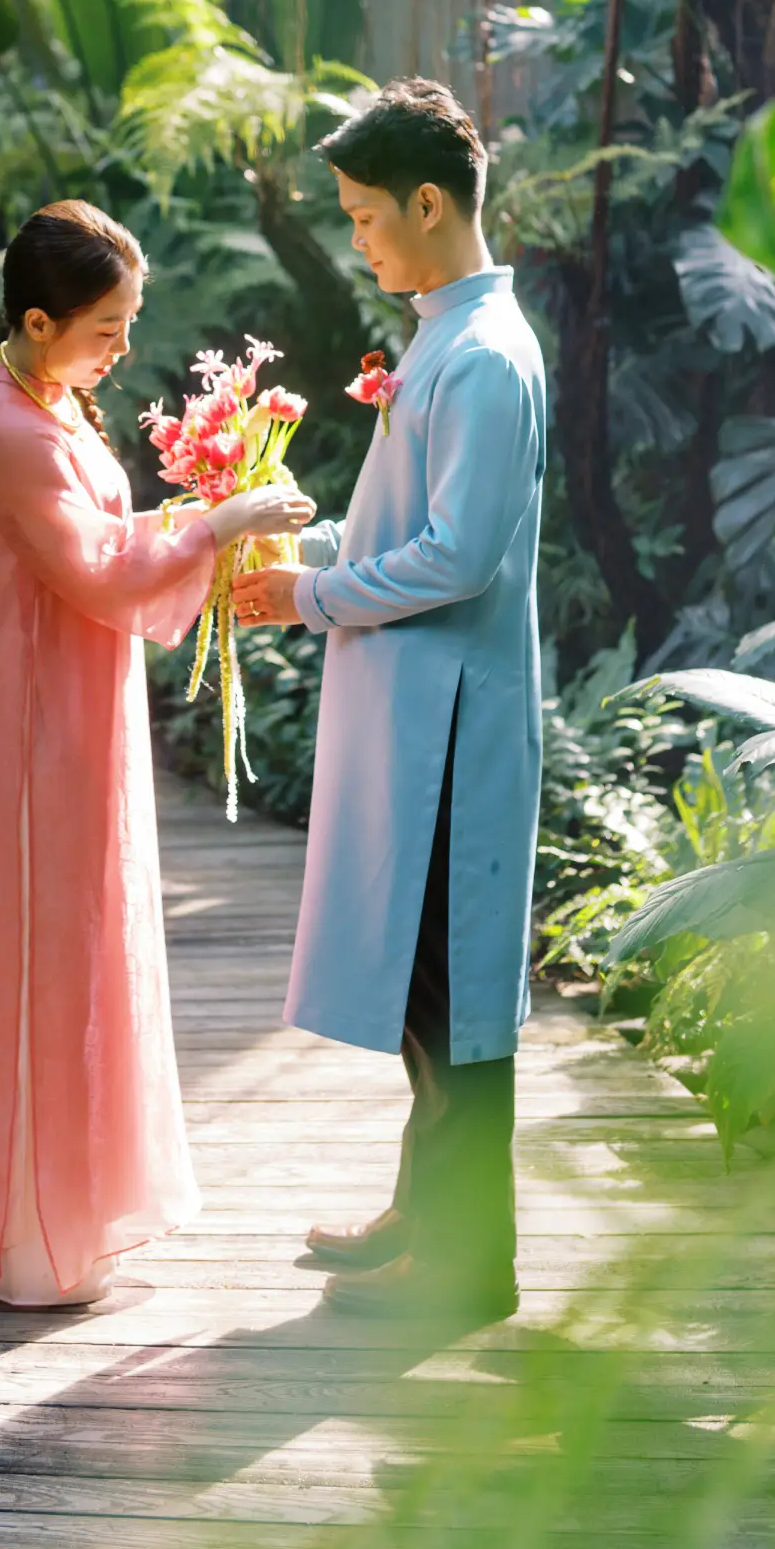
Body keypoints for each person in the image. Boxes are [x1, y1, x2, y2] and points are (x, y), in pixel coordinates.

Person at [0, 200, 314, 1307]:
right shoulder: (6, 427)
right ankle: (30, 1232)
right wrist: (218, 520)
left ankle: (60, 1213)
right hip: (30, 728)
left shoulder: (48, 395)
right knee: (40, 949)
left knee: (75, 938)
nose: (124, 347)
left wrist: (204, 517)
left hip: (68, 701)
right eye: (108, 325)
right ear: (39, 320)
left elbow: (100, 549)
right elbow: (95, 566)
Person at [233, 79, 546, 1324]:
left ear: (429, 202)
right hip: (423, 715)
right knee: (431, 990)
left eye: (365, 214)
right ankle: (429, 1211)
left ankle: (474, 1261)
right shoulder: (447, 332)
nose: (355, 236)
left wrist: (314, 596)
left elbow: (461, 555)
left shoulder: (479, 356)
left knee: (457, 996)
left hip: (454, 730)